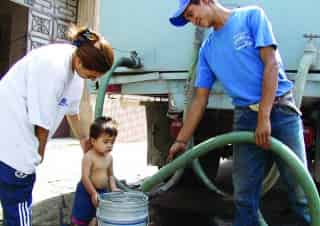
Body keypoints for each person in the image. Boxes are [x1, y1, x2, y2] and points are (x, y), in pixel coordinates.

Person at [168, 0, 311, 225]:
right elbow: (199, 100)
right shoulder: (208, 49)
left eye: (190, 12)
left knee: (301, 190)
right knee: (244, 195)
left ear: (205, 1)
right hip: (245, 117)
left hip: (279, 108)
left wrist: (264, 116)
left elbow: (271, 64)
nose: (191, 19)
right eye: (186, 18)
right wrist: (181, 139)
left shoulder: (251, 16)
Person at [0, 26, 114, 226]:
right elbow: (42, 122)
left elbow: (73, 113)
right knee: (18, 199)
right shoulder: (53, 67)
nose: (94, 79)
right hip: (11, 133)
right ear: (80, 61)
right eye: (92, 74)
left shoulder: (75, 72)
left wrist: (87, 146)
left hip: (16, 134)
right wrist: (40, 153)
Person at [71, 116, 120, 226]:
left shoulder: (109, 158)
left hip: (102, 192)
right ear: (93, 141)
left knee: (99, 217)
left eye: (112, 142)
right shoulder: (89, 157)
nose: (109, 145)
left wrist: (113, 187)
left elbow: (111, 175)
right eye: (106, 141)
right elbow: (85, 177)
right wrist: (93, 193)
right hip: (86, 192)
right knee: (82, 218)